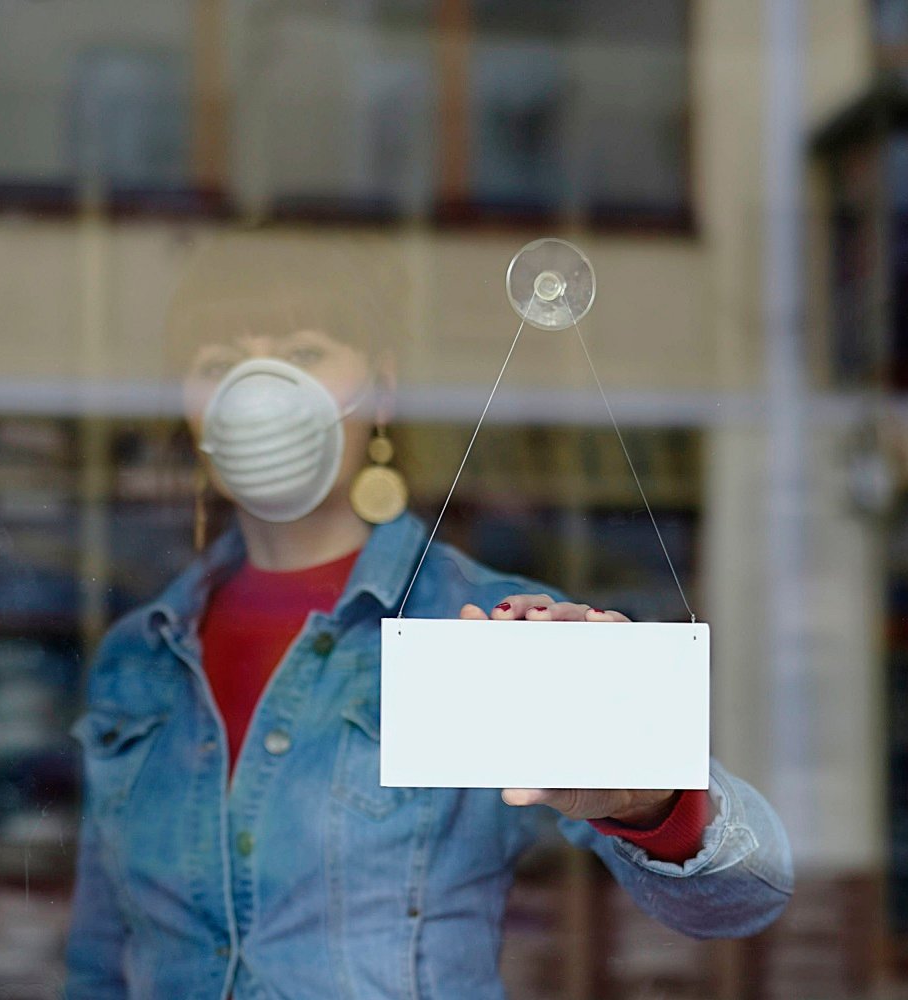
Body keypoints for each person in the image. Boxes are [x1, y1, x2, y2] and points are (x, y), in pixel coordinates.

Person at [63, 235, 792, 1000]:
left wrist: (644, 799)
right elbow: (98, 962)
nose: (261, 391)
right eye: (219, 365)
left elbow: (743, 896)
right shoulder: (139, 652)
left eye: (303, 352)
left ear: (380, 390)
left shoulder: (486, 627)